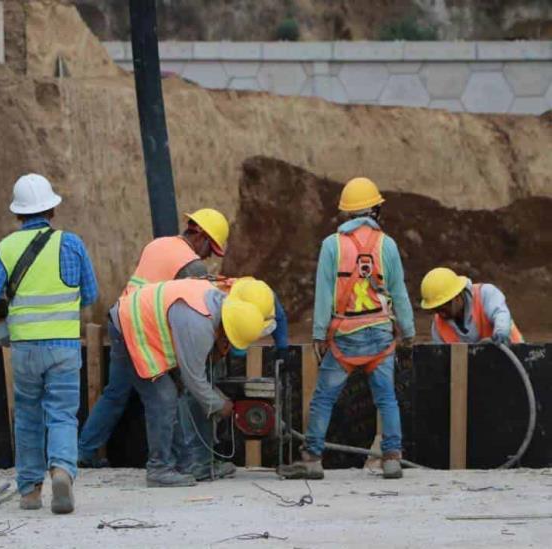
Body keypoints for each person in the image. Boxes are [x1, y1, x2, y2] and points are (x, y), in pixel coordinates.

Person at [0, 173, 98, 514]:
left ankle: (30, 491)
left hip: (25, 349)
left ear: (18, 214)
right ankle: (61, 470)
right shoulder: (71, 243)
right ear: (52, 210)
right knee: (61, 414)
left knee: (28, 416)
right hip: (63, 346)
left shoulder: (6, 247)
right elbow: (90, 294)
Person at [285, 177, 415, 480]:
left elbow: (323, 293)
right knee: (386, 399)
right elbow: (399, 293)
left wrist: (319, 334)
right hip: (381, 336)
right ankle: (393, 458)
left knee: (323, 399)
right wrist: (407, 332)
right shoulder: (388, 245)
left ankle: (313, 458)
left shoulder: (332, 245)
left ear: (347, 214)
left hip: (345, 338)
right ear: (374, 211)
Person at [77, 208, 229, 468]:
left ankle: (85, 451)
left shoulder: (160, 243)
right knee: (170, 394)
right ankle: (183, 461)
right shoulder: (192, 265)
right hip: (142, 332)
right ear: (202, 237)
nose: (208, 257)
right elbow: (194, 305)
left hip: (123, 319)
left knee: (116, 393)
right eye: (210, 250)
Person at [109, 277, 275, 487]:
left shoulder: (219, 303)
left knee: (174, 394)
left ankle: (188, 465)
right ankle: (159, 468)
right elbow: (193, 379)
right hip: (129, 327)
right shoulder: (199, 324)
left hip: (145, 324)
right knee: (164, 397)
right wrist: (219, 405)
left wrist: (213, 396)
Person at [174, 277, 288, 481]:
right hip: (197, 344)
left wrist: (282, 348)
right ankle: (194, 461)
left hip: (214, 342)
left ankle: (205, 459)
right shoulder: (216, 301)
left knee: (206, 396)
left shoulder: (263, 297)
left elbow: (278, 316)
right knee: (195, 397)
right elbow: (195, 377)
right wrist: (217, 402)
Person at [420, 267, 523, 344]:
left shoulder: (485, 294)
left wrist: (500, 332)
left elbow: (500, 314)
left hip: (515, 358)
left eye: (445, 306)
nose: (441, 313)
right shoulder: (438, 325)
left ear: (457, 295)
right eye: (436, 309)